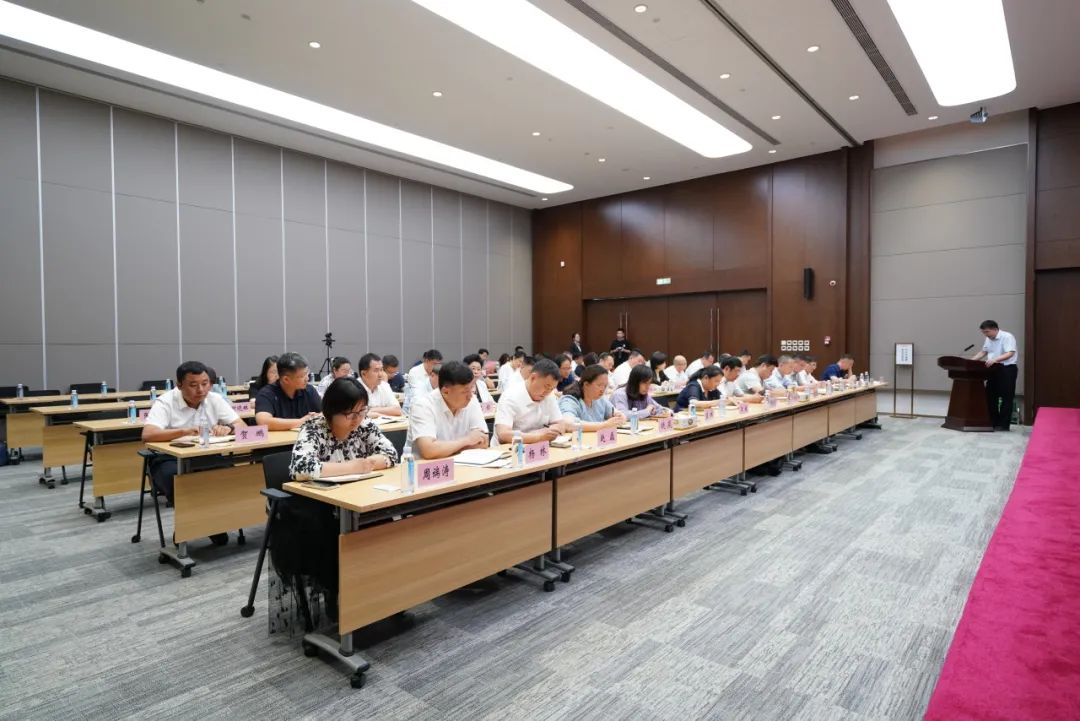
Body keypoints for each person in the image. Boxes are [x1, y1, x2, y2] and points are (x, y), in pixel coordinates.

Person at [143, 361, 248, 544]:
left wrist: (229, 428)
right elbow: (148, 435)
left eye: (205, 383)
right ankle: (195, 526)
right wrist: (183, 432)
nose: (201, 390)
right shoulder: (165, 401)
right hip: (168, 459)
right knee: (180, 482)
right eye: (193, 385)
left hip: (207, 454)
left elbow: (242, 426)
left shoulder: (214, 399)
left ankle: (208, 524)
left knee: (229, 476)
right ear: (179, 385)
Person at [289, 378, 398, 480]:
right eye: (350, 413)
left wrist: (364, 465)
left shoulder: (365, 425)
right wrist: (353, 467)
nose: (357, 418)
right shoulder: (314, 429)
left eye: (362, 410)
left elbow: (391, 454)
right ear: (331, 411)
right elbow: (300, 468)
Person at [404, 361, 489, 459]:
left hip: (462, 463)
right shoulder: (423, 406)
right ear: (445, 391)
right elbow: (429, 450)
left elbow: (483, 441)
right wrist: (467, 440)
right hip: (425, 467)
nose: (470, 395)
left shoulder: (472, 400)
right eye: (465, 391)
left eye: (472, 388)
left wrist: (446, 449)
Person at [492, 358, 571, 445]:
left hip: (538, 447)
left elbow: (560, 424)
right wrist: (538, 436)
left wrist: (549, 432)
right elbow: (503, 434)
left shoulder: (549, 395)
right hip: (508, 450)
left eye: (552, 389)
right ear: (533, 378)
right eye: (546, 386)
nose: (547, 392)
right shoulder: (510, 396)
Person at [254, 352, 323, 430]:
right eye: (302, 376)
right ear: (286, 379)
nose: (307, 378)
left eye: (307, 373)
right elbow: (263, 421)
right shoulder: (267, 393)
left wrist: (318, 416)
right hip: (280, 438)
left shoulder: (309, 390)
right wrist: (302, 421)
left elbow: (324, 414)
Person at [972, 320, 1018, 431]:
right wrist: (970, 361)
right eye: (983, 332)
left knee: (1006, 397)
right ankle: (993, 422)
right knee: (990, 396)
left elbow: (1010, 353)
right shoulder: (988, 338)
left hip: (1007, 369)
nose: (985, 334)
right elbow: (983, 352)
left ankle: (1003, 424)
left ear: (995, 329)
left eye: (987, 332)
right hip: (993, 369)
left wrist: (995, 359)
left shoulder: (1007, 337)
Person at [559, 365, 625, 430]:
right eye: (599, 385)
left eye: (605, 386)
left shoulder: (600, 399)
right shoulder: (570, 400)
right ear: (586, 384)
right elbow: (567, 423)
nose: (602, 389)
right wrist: (603, 425)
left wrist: (619, 416)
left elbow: (615, 413)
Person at [355, 353, 402, 417]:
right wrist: (383, 412)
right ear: (363, 373)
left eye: (381, 370)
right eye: (376, 370)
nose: (380, 374)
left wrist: (373, 410)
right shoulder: (354, 388)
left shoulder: (384, 386)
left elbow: (397, 410)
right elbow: (356, 414)